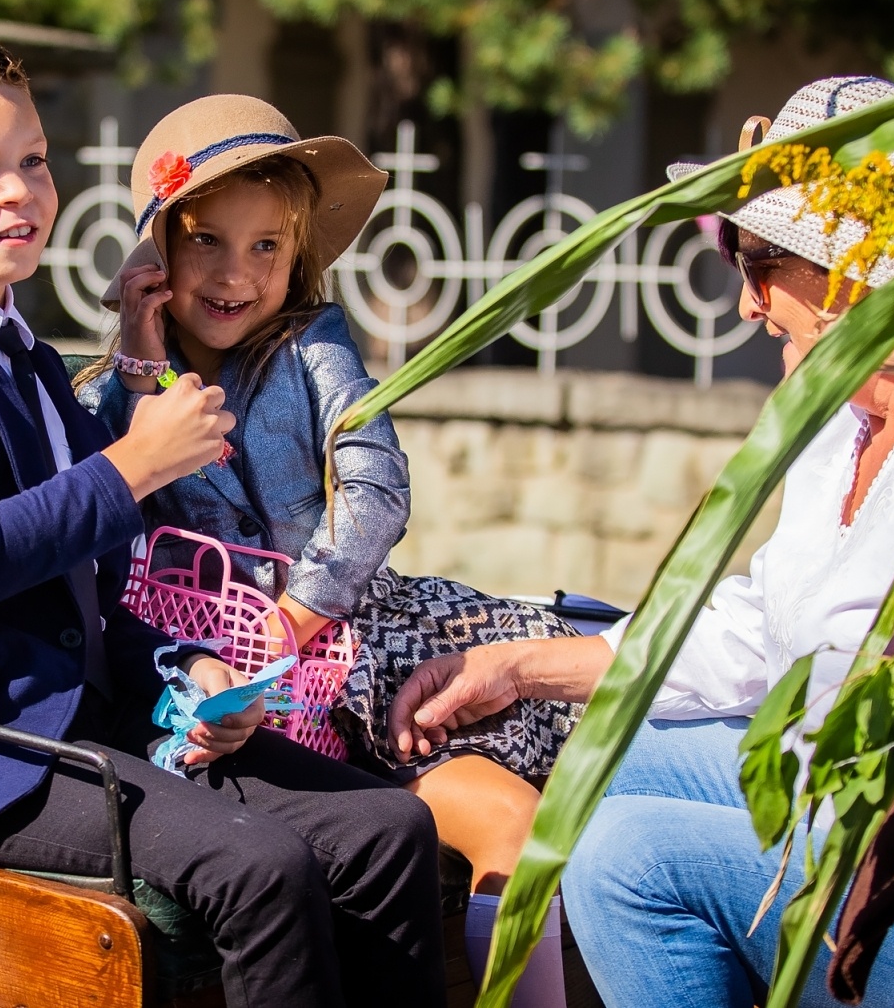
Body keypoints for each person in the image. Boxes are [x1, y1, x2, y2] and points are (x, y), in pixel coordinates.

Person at [0, 17, 446, 1008]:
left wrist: (185, 668)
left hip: (49, 707)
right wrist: (129, 467)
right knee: (260, 864)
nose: (19, 190)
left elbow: (81, 583)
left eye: (33, 160)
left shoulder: (24, 353)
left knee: (390, 828)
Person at [387, 76, 894, 1008]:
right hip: (819, 790)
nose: (746, 303)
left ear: (853, 271)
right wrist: (515, 666)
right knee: (597, 759)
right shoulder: (839, 426)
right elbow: (756, 628)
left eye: (758, 260)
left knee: (624, 857)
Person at [76, 93, 575, 1001]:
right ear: (157, 254)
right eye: (206, 241)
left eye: (266, 245)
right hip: (221, 683)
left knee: (518, 822)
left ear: (297, 252)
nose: (237, 273)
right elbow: (107, 518)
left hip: (358, 657)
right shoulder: (108, 393)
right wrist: (140, 361)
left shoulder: (312, 344)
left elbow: (376, 486)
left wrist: (295, 615)